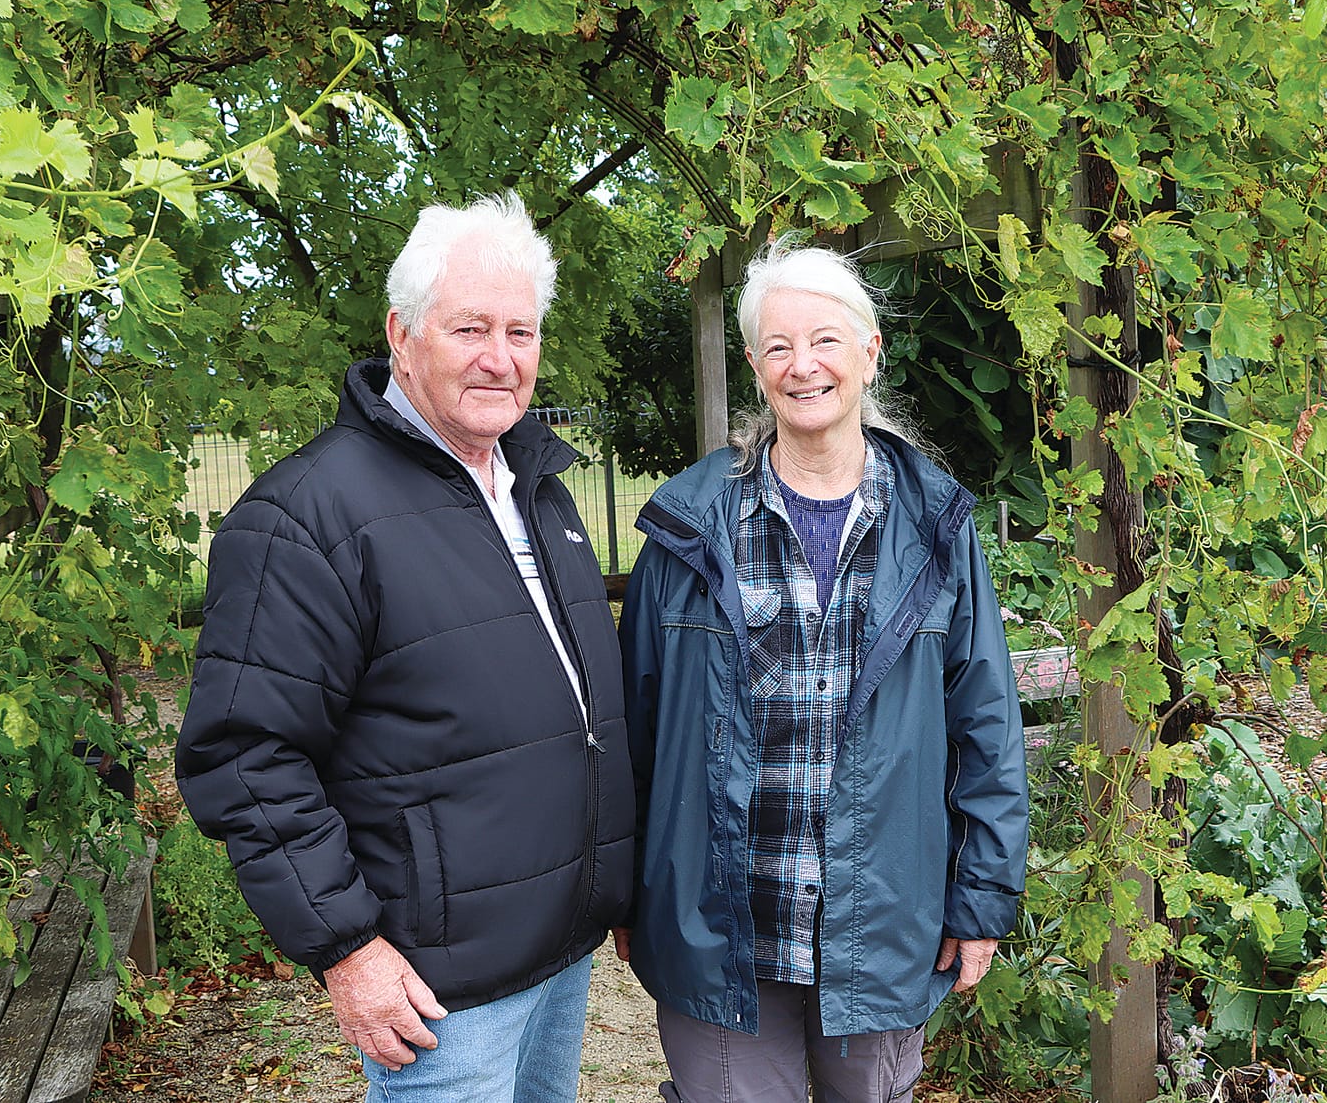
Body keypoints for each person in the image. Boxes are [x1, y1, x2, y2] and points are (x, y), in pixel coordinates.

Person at [175, 193, 633, 1102]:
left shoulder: (537, 488)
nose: (501, 357)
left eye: (521, 331)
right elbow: (244, 754)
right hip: (439, 988)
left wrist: (617, 883)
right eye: (470, 328)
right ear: (402, 334)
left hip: (561, 952)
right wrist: (347, 948)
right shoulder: (307, 515)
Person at [616, 240, 1028, 1102]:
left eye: (825, 340)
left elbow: (985, 728)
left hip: (883, 927)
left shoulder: (937, 531)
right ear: (756, 367)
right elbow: (633, 732)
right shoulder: (689, 527)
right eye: (778, 346)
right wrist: (628, 893)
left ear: (870, 351)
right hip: (718, 926)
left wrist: (981, 896)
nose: (802, 365)